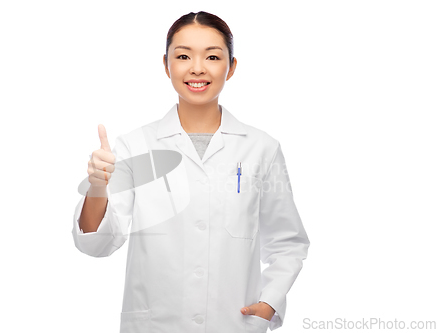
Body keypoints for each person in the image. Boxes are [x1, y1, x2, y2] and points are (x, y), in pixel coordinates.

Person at [72, 11, 310, 333]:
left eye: (212, 56)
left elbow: (287, 241)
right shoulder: (135, 146)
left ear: (232, 66)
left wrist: (270, 302)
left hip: (233, 322)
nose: (197, 68)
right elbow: (97, 244)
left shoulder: (261, 148)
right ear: (166, 64)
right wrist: (97, 188)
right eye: (183, 56)